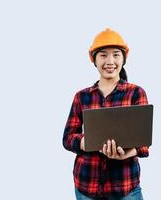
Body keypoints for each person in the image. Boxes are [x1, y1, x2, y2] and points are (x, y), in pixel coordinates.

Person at [63, 28, 149, 200]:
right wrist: (85, 142)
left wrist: (127, 153)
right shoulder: (82, 96)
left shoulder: (135, 93)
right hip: (87, 186)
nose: (110, 61)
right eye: (103, 55)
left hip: (125, 188)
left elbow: (144, 144)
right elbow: (67, 138)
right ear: (93, 59)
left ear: (124, 58)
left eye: (116, 55)